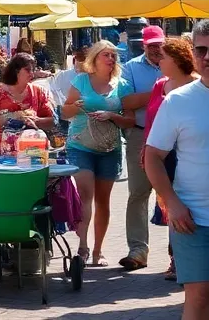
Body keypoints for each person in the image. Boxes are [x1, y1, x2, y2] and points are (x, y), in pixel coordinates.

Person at [145, 18, 209, 320]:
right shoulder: (178, 101)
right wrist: (172, 204)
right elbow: (152, 157)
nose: (208, 57)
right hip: (194, 219)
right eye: (201, 50)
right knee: (201, 295)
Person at [61, 40, 131, 268]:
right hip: (80, 145)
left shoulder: (122, 85)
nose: (111, 59)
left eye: (113, 55)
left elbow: (130, 120)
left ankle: (98, 250)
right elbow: (65, 112)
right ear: (95, 58)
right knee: (84, 194)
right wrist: (77, 106)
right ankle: (82, 246)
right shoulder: (81, 80)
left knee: (103, 201)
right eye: (106, 55)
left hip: (109, 147)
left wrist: (112, 116)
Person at [142, 36, 198, 281]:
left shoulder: (199, 85)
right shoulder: (160, 85)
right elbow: (153, 120)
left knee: (189, 203)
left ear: (176, 59)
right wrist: (146, 147)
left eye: (163, 57)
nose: (158, 61)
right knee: (169, 203)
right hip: (163, 153)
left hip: (188, 154)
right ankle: (175, 259)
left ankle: (188, 259)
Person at [117, 24, 166, 271]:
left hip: (174, 139)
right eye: (153, 45)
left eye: (161, 44)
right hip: (140, 136)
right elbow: (126, 101)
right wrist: (161, 90)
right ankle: (138, 251)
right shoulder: (130, 68)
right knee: (138, 193)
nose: (158, 50)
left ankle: (177, 256)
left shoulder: (176, 62)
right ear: (143, 45)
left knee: (175, 194)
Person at [0, 52, 55, 161]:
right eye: (28, 70)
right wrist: (11, 117)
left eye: (33, 70)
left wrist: (35, 121)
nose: (32, 74)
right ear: (16, 71)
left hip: (31, 152)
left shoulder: (38, 92)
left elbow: (52, 122)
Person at [49, 40, 89, 137]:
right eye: (79, 58)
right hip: (66, 120)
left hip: (86, 120)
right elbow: (53, 93)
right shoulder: (63, 75)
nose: (81, 61)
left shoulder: (94, 77)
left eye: (84, 58)